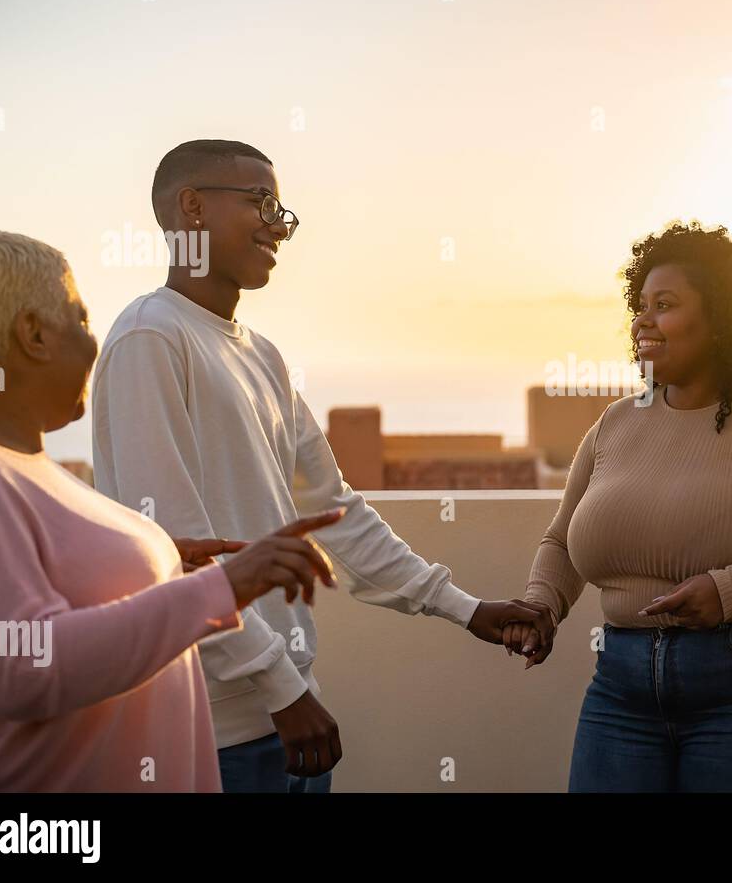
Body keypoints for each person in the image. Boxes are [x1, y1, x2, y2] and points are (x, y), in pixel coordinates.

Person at [91, 140, 547, 793]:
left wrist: (463, 606)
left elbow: (335, 514)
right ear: (191, 206)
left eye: (282, 208)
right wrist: (280, 688)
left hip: (291, 716)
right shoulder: (150, 338)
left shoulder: (265, 356)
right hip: (213, 727)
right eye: (260, 202)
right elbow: (172, 552)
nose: (278, 224)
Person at [0, 230, 343, 792]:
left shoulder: (18, 468)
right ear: (33, 333)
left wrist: (164, 561)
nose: (94, 346)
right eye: (81, 321)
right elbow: (20, 666)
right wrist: (222, 588)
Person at [503, 222, 732, 792]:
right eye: (641, 305)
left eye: (666, 305)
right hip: (621, 686)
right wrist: (542, 605)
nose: (643, 320)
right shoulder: (616, 424)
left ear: (724, 319)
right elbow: (561, 542)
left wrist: (730, 594)